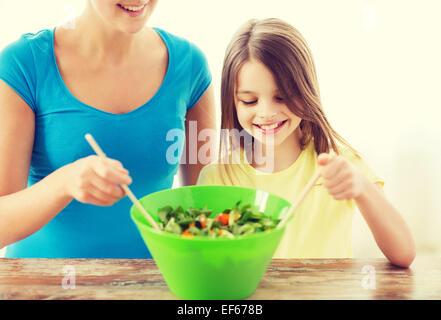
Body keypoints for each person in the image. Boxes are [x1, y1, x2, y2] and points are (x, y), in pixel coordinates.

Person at [0, 0, 216, 258]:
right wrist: (64, 182)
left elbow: (204, 209)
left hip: (155, 286)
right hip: (42, 290)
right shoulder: (24, 64)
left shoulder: (190, 66)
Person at [197, 18, 415, 268]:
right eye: (249, 101)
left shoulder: (340, 167)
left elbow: (404, 253)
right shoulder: (218, 178)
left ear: (305, 90)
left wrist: (362, 188)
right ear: (231, 102)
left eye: (282, 97)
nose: (266, 112)